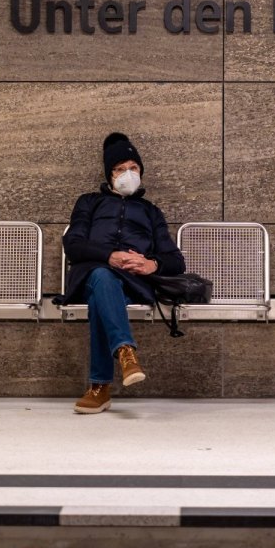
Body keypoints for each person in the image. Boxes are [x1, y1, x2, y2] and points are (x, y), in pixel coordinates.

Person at [61, 133, 185, 415]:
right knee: (103, 278)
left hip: (134, 283)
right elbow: (73, 244)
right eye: (120, 169)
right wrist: (108, 256)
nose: (127, 174)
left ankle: (99, 387)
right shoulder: (89, 202)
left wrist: (152, 264)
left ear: (140, 172)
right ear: (109, 174)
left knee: (102, 296)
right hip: (89, 276)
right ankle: (125, 352)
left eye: (133, 168)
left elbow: (175, 261)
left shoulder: (150, 211)